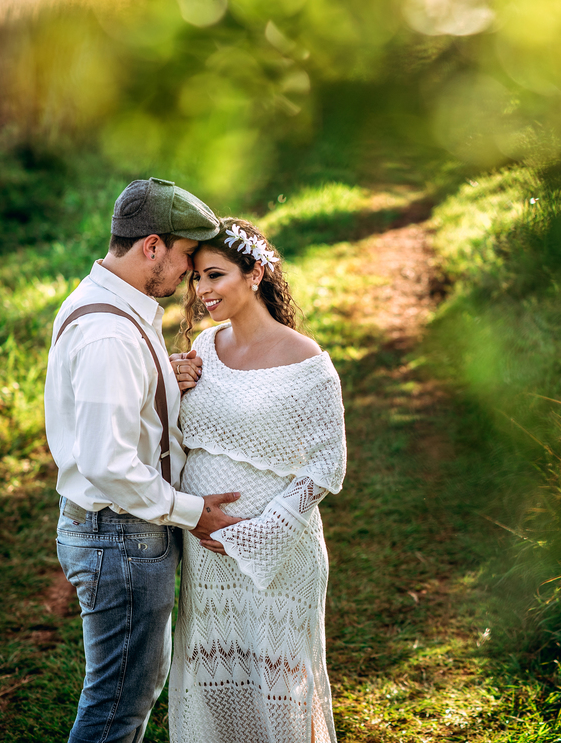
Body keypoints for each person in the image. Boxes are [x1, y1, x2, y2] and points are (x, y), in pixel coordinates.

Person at [45, 178, 245, 743]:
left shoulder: (108, 302)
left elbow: (119, 413)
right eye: (185, 256)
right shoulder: (111, 332)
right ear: (152, 246)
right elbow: (109, 462)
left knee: (126, 695)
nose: (188, 272)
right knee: (117, 709)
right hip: (121, 536)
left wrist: (166, 380)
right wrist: (190, 510)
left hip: (116, 532)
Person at [167, 217, 347, 743]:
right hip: (206, 553)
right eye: (196, 279)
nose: (202, 292)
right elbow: (176, 435)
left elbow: (325, 468)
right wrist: (169, 383)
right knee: (216, 682)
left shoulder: (308, 364)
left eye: (215, 276)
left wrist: (258, 533)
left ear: (256, 273)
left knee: (278, 689)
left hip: (279, 555)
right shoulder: (203, 350)